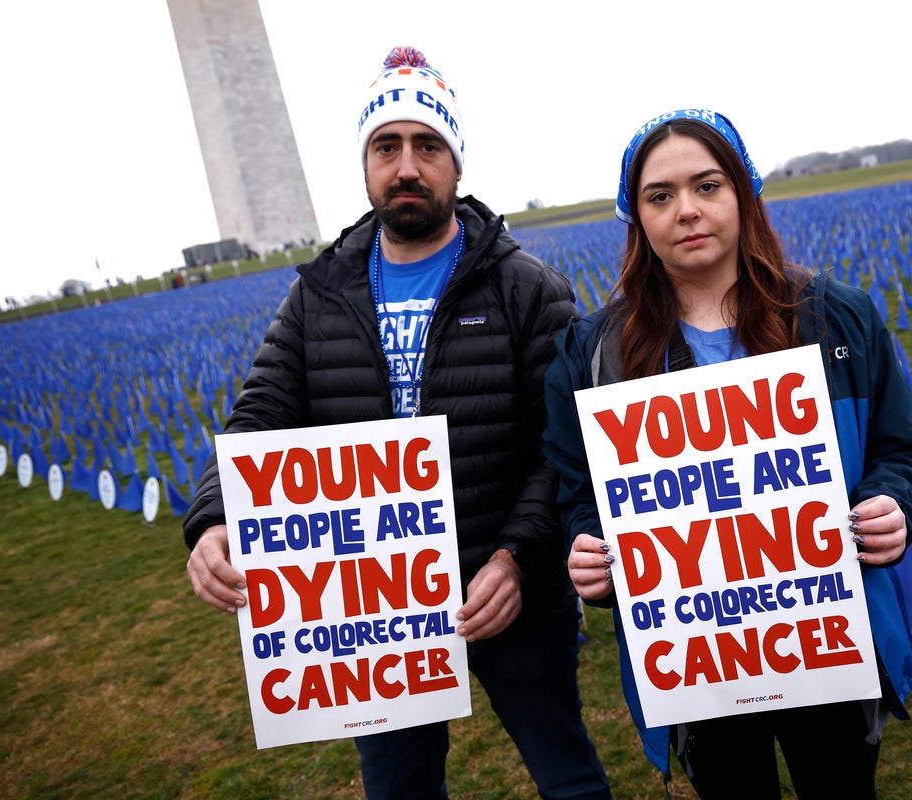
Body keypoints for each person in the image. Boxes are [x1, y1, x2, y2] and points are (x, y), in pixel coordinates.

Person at [183, 46, 611, 800]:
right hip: (375, 607)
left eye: (427, 146)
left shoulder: (527, 287)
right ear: (365, 164)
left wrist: (516, 556)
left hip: (508, 592)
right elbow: (260, 415)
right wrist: (216, 515)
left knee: (567, 778)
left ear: (456, 164)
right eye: (386, 147)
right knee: (399, 790)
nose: (406, 166)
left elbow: (564, 446)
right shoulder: (318, 296)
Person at [542, 108, 912, 799]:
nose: (686, 210)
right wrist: (588, 546)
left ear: (744, 193)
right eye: (660, 196)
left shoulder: (835, 316)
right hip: (699, 666)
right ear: (636, 219)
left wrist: (894, 504)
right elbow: (579, 492)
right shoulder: (594, 354)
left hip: (829, 640)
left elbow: (901, 446)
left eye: (707, 186)